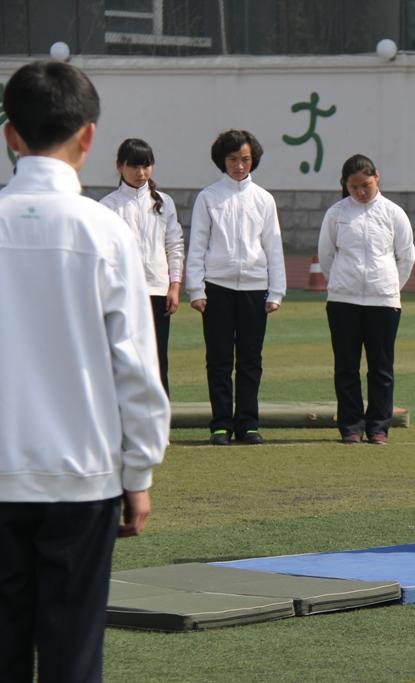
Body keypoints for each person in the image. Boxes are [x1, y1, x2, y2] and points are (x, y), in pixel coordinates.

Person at [0, 60, 170, 682]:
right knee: (73, 659)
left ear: (11, 135)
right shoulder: (105, 232)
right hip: (82, 477)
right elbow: (134, 364)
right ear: (89, 136)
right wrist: (140, 469)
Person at [186, 129, 286, 446]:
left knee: (250, 359)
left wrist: (277, 291)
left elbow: (273, 247)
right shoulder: (208, 197)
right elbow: (197, 244)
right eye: (233, 159)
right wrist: (196, 289)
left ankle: (247, 423)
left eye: (245, 159)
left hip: (255, 288)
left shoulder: (264, 199)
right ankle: (220, 424)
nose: (239, 166)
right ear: (222, 161)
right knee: (218, 358)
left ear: (253, 158)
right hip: (217, 287)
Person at [317, 154, 415, 445]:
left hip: (383, 301)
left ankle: (378, 426)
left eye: (366, 185)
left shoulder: (393, 213)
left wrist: (390, 287)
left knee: (381, 367)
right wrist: (339, 282)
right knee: (346, 366)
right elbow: (326, 255)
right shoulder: (336, 213)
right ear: (345, 185)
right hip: (343, 300)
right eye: (354, 187)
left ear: (377, 178)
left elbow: (406, 255)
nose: (360, 192)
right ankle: (350, 426)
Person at [100, 138, 184, 395]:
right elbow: (105, 256)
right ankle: (121, 423)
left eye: (146, 166)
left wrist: (175, 286)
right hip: (124, 293)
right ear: (119, 167)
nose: (141, 173)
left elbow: (174, 246)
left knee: (158, 359)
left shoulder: (164, 202)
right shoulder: (108, 206)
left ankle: (159, 428)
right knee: (124, 358)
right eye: (134, 166)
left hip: (158, 291)